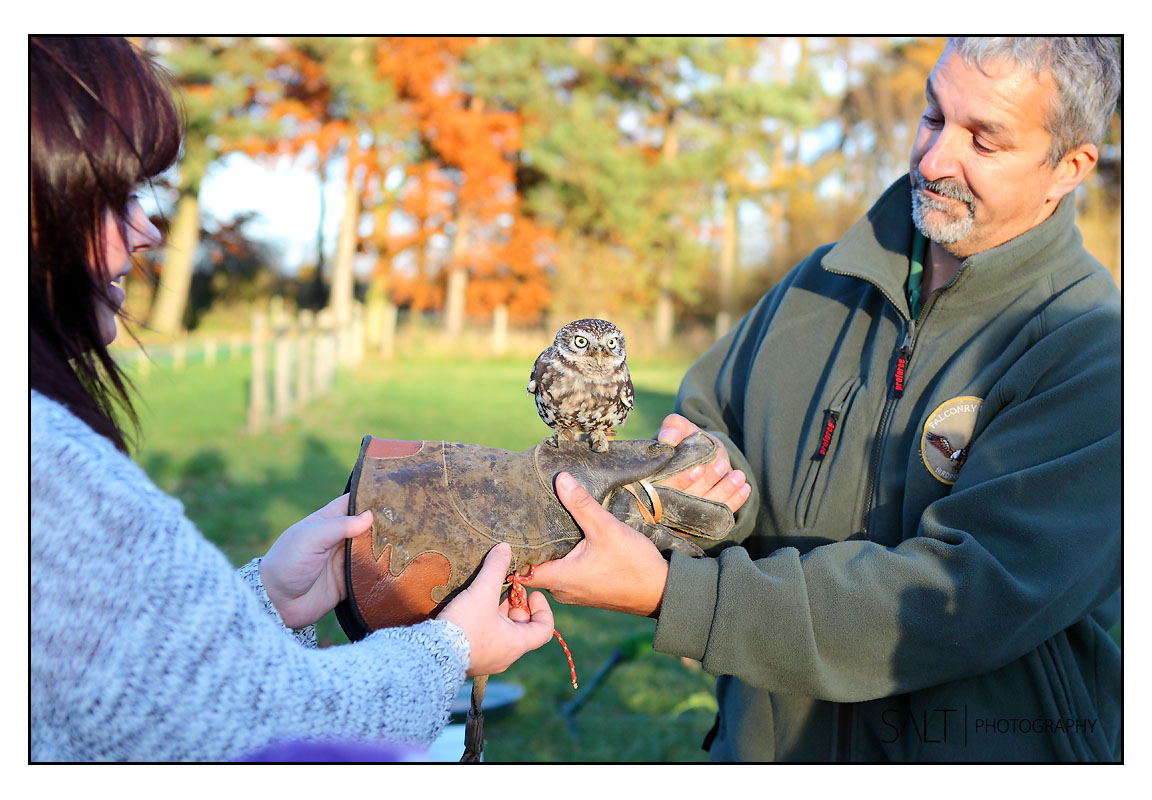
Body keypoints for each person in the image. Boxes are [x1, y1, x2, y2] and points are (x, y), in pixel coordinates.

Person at [525, 36, 1122, 762]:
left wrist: (676, 597)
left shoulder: (1094, 348)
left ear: (1070, 168)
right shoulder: (821, 280)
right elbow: (716, 427)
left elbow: (965, 597)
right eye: (933, 116)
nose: (934, 159)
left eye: (984, 141)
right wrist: (702, 486)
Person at [30, 35, 555, 762]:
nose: (147, 228)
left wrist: (268, 601)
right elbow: (258, 729)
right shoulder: (48, 474)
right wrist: (453, 650)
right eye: (113, 196)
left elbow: (124, 690)